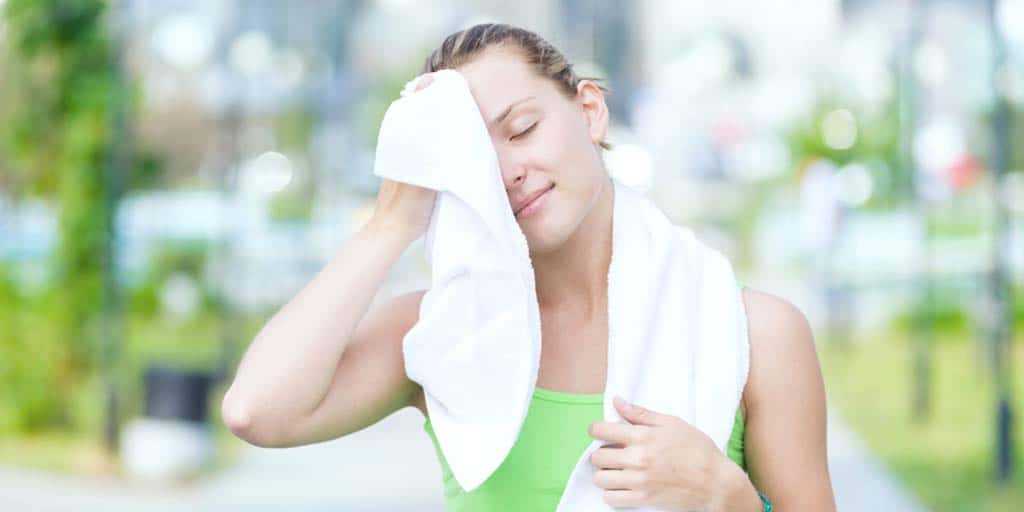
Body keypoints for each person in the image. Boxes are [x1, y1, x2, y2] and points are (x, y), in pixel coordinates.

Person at [221, 23, 836, 511]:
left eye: (521, 128)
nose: (506, 171)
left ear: (589, 110)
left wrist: (724, 498)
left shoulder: (755, 331)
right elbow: (257, 412)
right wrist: (392, 222)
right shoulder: (444, 331)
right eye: (473, 161)